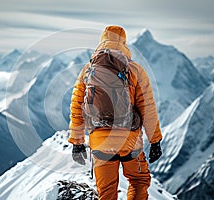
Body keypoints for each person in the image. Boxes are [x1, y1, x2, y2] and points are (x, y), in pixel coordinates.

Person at [68, 25, 162, 200]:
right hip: (129, 140)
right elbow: (147, 108)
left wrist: (77, 142)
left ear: (102, 41)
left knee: (106, 192)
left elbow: (76, 108)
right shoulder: (136, 70)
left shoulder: (88, 71)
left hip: (100, 142)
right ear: (124, 43)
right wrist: (155, 140)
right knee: (138, 181)